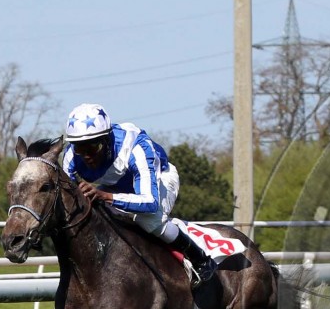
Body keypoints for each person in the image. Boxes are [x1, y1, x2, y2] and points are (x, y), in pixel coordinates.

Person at [61, 103, 216, 285]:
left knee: (150, 221)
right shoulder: (71, 157)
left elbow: (149, 202)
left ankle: (200, 259)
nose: (86, 155)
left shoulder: (136, 148)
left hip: (160, 181)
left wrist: (105, 196)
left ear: (107, 140)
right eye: (80, 148)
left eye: (93, 147)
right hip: (116, 185)